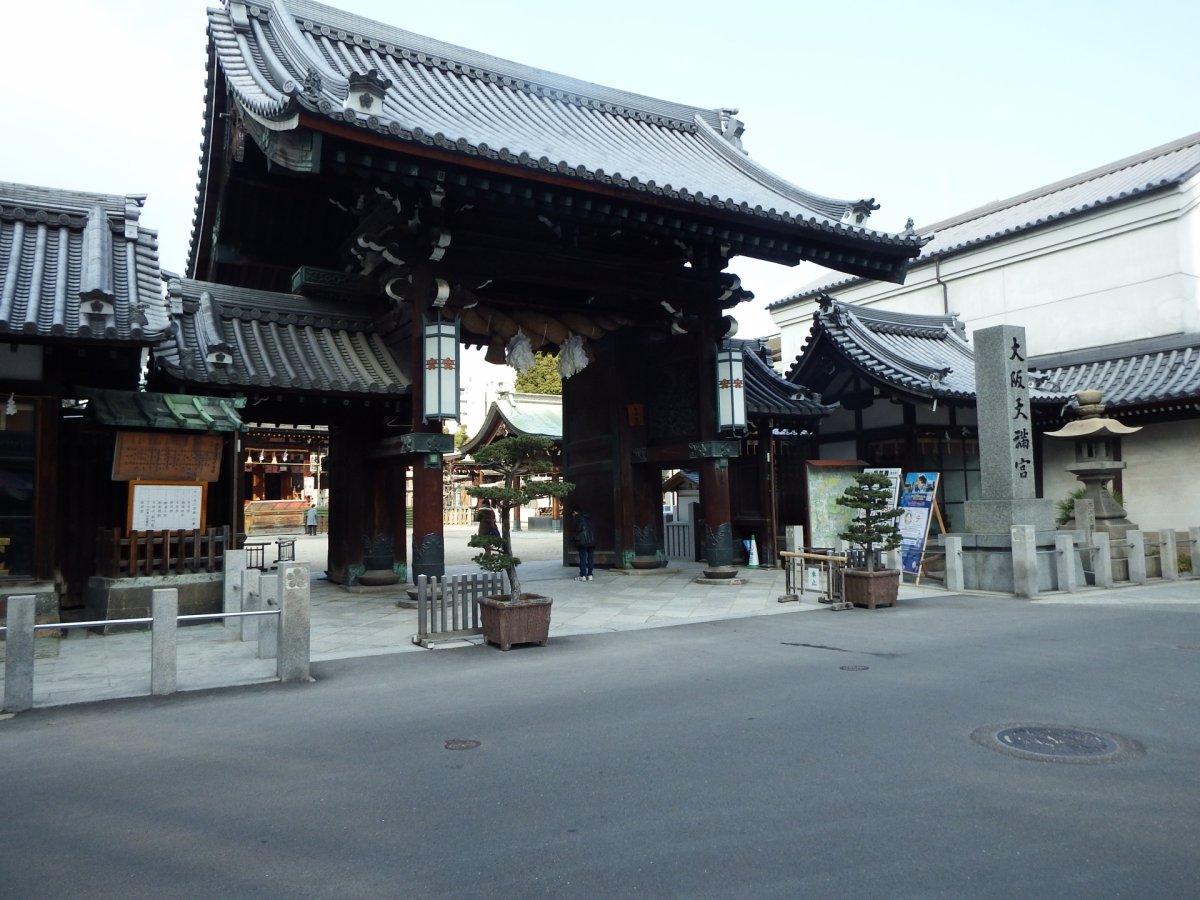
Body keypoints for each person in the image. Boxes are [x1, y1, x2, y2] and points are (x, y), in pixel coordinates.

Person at [572, 508, 595, 581]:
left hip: (583, 541)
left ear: (575, 512)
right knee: (591, 557)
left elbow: (577, 530)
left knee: (583, 558)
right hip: (591, 540)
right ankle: (590, 575)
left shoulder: (577, 518)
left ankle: (582, 575)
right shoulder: (589, 518)